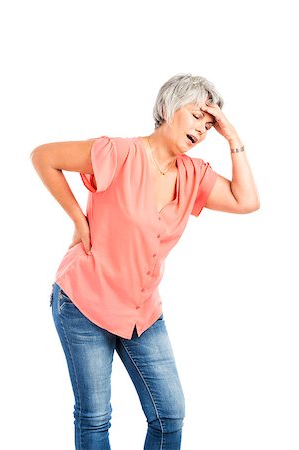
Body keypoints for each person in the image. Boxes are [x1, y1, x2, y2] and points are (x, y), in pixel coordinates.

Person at [30, 72, 260, 450]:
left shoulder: (192, 175)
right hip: (84, 302)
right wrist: (77, 218)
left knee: (169, 416)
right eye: (196, 115)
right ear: (168, 108)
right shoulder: (118, 153)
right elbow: (43, 157)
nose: (203, 129)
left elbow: (246, 201)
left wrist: (232, 137)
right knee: (94, 417)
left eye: (209, 122)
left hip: (142, 313)